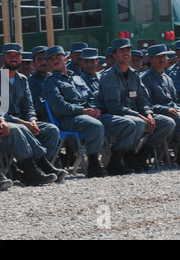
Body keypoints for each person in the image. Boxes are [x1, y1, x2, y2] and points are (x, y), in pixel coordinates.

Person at [42, 46, 142, 178]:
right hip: (70, 118)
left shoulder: (76, 78)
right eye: (51, 59)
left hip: (90, 114)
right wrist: (83, 111)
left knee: (129, 124)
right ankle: (93, 163)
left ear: (65, 59)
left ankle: (116, 161)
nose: (55, 60)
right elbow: (60, 107)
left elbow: (91, 97)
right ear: (48, 63)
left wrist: (96, 109)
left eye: (58, 57)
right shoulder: (50, 82)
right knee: (94, 125)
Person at [0, 43, 65, 182]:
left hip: (22, 122)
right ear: (2, 58)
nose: (13, 58)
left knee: (51, 130)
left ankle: (40, 167)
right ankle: (36, 169)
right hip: (1, 123)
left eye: (16, 56)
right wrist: (24, 123)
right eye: (9, 55)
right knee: (20, 128)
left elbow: (28, 106)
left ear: (21, 58)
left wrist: (33, 121)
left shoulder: (23, 80)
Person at [98, 39, 175, 174]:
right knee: (138, 123)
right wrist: (139, 116)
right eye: (122, 51)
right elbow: (114, 107)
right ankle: (118, 160)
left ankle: (141, 155)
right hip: (112, 116)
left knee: (167, 123)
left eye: (128, 50)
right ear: (114, 55)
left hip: (134, 115)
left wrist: (148, 114)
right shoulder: (109, 76)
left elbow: (143, 99)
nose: (126, 53)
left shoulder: (134, 75)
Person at [140, 44, 179, 166]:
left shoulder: (167, 78)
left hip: (173, 110)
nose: (162, 59)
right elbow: (146, 104)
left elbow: (174, 100)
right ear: (150, 59)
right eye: (158, 57)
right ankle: (144, 152)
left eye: (164, 56)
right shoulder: (145, 78)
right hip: (156, 114)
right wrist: (166, 110)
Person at [27, 46, 51, 122]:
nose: (43, 62)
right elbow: (38, 106)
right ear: (33, 64)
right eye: (39, 59)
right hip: (45, 119)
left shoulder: (55, 78)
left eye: (45, 59)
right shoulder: (31, 81)